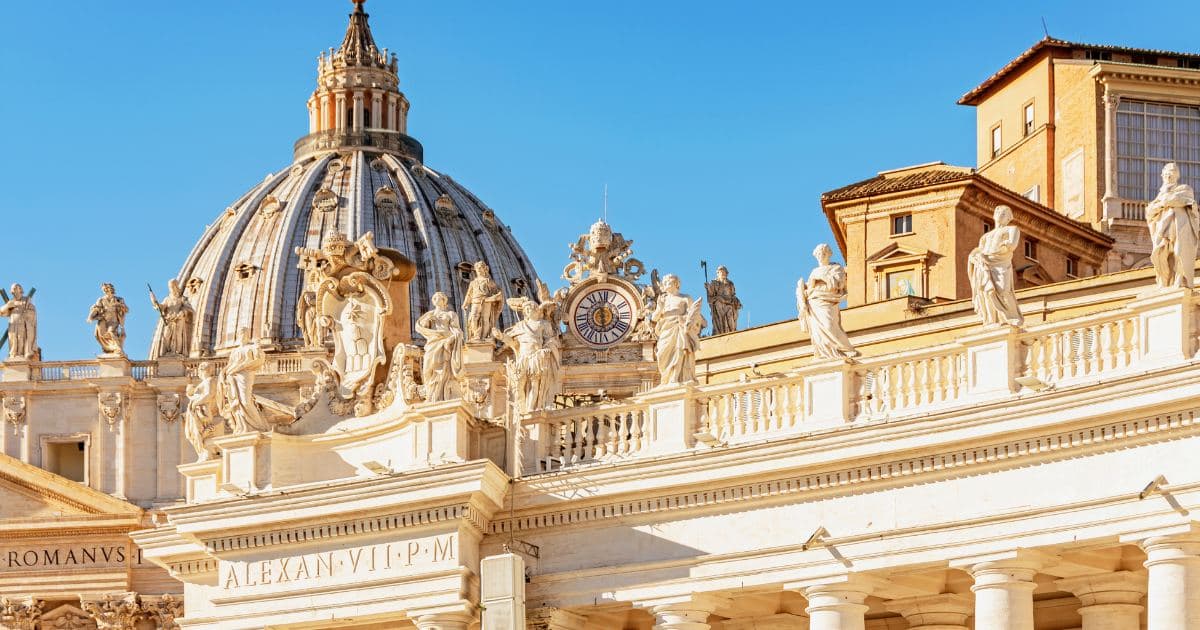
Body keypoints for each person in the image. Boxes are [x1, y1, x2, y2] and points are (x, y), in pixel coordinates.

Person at [494, 298, 561, 413]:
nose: (529, 310)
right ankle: (521, 408)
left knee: (535, 384)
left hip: (536, 357)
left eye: (531, 308)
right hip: (523, 358)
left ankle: (531, 408)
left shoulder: (543, 324)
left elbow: (551, 340)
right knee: (519, 385)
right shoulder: (520, 326)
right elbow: (514, 344)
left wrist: (546, 349)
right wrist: (501, 337)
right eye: (526, 309)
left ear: (536, 310)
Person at [796, 244, 858, 360]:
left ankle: (846, 349)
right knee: (818, 331)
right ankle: (824, 352)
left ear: (829, 254)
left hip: (829, 300)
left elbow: (839, 284)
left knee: (830, 325)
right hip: (814, 301)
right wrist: (802, 289)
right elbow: (810, 287)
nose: (821, 256)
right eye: (819, 254)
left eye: (823, 253)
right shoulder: (814, 271)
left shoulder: (836, 268)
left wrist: (822, 277)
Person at [967, 205, 1024, 327]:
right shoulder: (985, 236)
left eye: (1004, 213)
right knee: (987, 291)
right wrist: (974, 256)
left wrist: (1007, 245)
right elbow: (980, 250)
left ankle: (1013, 317)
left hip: (1001, 263)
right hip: (985, 263)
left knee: (1004, 290)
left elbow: (1012, 245)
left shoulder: (1012, 229)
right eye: (998, 212)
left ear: (1009, 218)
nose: (999, 214)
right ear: (994, 215)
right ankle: (992, 320)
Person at [1146, 162, 1199, 289]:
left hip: (1181, 228)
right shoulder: (1160, 195)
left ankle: (1179, 281)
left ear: (1177, 175)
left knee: (1179, 253)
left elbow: (1178, 199)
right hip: (1163, 230)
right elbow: (1150, 211)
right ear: (1162, 175)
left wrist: (1163, 202)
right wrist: (1163, 202)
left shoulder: (1185, 189)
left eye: (1172, 171)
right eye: (1167, 172)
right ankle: (1165, 281)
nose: (1169, 174)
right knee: (1160, 255)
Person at [652, 274, 706, 385]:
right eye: (665, 282)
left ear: (676, 284)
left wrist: (688, 322)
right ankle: (666, 377)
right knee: (661, 354)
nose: (666, 284)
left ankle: (675, 378)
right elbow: (654, 318)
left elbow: (695, 315)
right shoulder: (662, 300)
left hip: (679, 326)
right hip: (666, 329)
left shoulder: (685, 298)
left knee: (680, 349)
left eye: (669, 282)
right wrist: (660, 308)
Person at [415, 292, 464, 402]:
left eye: (439, 298)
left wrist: (450, 339)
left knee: (442, 369)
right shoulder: (429, 315)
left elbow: (457, 332)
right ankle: (430, 392)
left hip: (445, 342)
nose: (436, 299)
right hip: (432, 343)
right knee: (428, 368)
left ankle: (440, 395)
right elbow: (420, 327)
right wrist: (427, 320)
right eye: (434, 298)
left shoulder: (451, 314)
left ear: (444, 300)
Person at [220, 328, 267, 434]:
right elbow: (229, 366)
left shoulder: (251, 347)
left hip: (245, 375)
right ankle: (242, 426)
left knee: (245, 402)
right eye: (240, 333)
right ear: (238, 335)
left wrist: (258, 348)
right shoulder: (234, 351)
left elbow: (259, 359)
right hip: (233, 376)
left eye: (244, 333)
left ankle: (259, 426)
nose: (242, 335)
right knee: (237, 403)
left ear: (247, 335)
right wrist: (224, 374)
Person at [184, 362, 221, 461]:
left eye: (201, 370)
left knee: (197, 431)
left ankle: (204, 451)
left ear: (205, 370)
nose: (199, 372)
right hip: (197, 410)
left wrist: (195, 403)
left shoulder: (209, 381)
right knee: (191, 433)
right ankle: (202, 451)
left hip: (203, 411)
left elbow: (208, 394)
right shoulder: (205, 382)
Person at [151, 279, 194, 357]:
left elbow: (189, 309)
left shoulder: (182, 298)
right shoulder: (167, 299)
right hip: (169, 319)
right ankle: (169, 351)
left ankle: (178, 352)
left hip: (179, 319)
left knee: (178, 336)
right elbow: (161, 307)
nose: (171, 289)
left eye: (172, 287)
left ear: (176, 287)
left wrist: (182, 312)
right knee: (166, 336)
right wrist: (155, 302)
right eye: (170, 287)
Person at [463, 261, 504, 342]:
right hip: (475, 301)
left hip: (486, 301)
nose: (479, 270)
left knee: (485, 319)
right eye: (477, 268)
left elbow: (498, 292)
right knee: (473, 318)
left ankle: (484, 337)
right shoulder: (473, 282)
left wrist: (494, 298)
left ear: (485, 269)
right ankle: (476, 334)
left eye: (480, 268)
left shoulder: (488, 281)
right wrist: (465, 303)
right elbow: (469, 294)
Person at [87, 283, 128, 355]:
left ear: (111, 289)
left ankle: (118, 348)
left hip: (114, 320)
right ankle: (109, 348)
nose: (105, 290)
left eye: (106, 289)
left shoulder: (119, 299)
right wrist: (90, 317)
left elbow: (126, 310)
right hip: (103, 320)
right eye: (104, 289)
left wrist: (119, 305)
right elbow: (96, 309)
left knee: (111, 332)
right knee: (99, 335)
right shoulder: (101, 300)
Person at [0, 283, 37, 360]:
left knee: (21, 339)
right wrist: (8, 306)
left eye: (17, 289)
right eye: (14, 290)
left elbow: (32, 312)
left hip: (23, 325)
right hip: (13, 325)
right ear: (12, 292)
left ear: (21, 291)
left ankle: (21, 356)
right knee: (13, 340)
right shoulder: (11, 302)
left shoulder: (27, 302)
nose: (15, 291)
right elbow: (1, 312)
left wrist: (27, 314)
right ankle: (13, 356)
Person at [705, 265, 742, 335]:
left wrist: (736, 301)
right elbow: (711, 295)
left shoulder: (730, 283)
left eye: (724, 272)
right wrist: (708, 288)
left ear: (726, 273)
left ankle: (731, 331)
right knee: (718, 304)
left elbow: (733, 295)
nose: (723, 273)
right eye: (721, 272)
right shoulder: (714, 283)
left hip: (729, 303)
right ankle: (721, 330)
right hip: (719, 302)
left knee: (730, 311)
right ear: (718, 273)